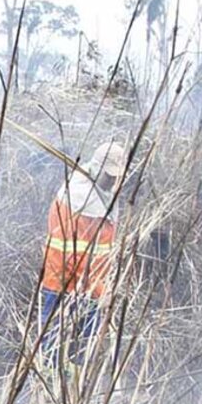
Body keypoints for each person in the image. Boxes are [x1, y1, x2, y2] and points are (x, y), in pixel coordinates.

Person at [39, 141, 126, 369]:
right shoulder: (78, 198)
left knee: (83, 356)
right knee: (52, 352)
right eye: (109, 176)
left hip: (88, 287)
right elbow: (78, 258)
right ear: (97, 168)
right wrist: (101, 291)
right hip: (62, 284)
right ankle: (49, 394)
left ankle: (77, 390)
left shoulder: (101, 194)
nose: (113, 181)